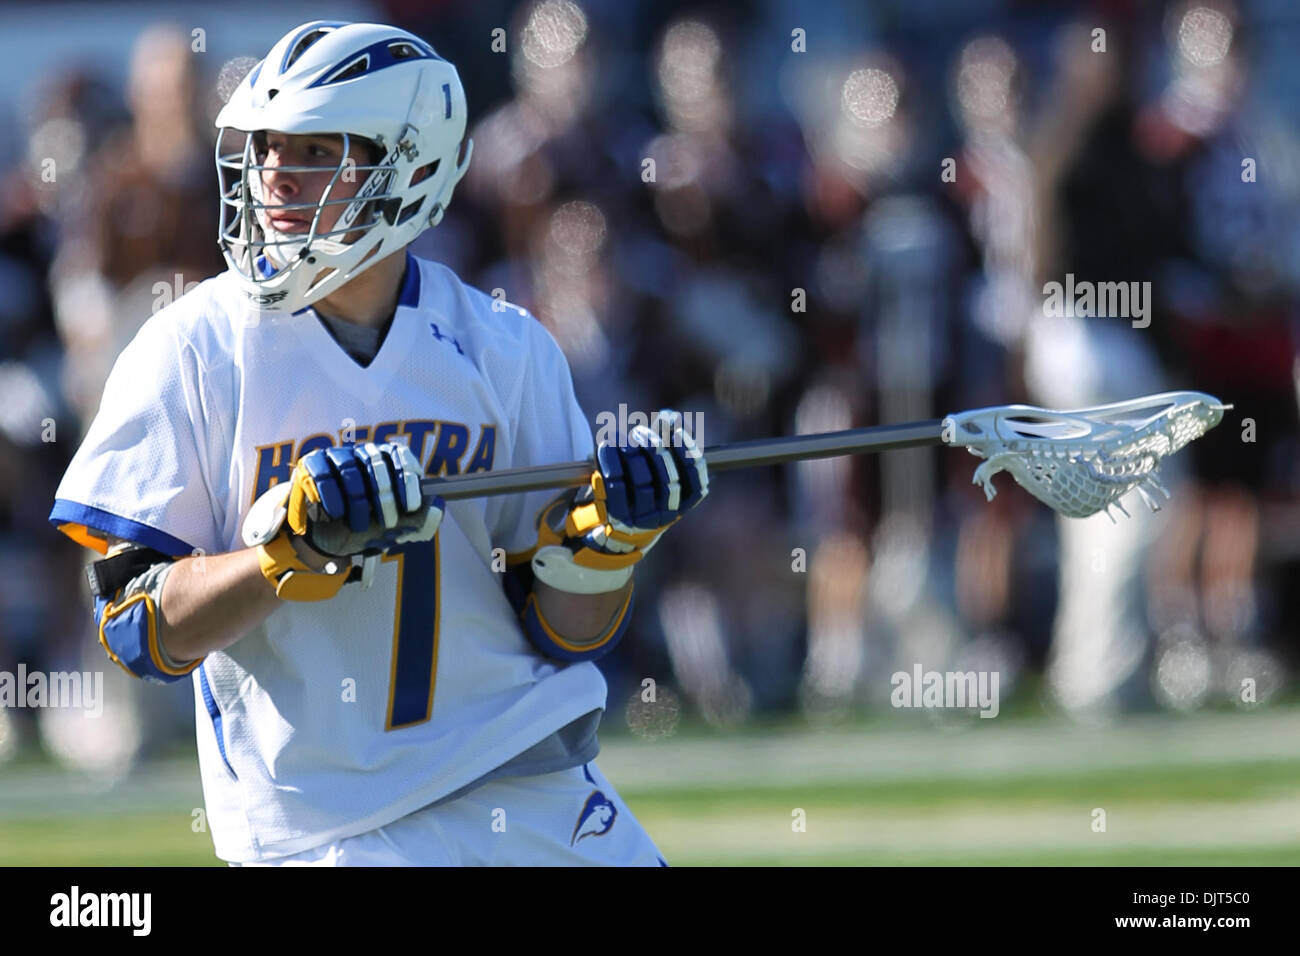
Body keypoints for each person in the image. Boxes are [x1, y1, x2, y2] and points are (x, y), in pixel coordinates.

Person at [48, 20, 707, 866]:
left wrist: (613, 542)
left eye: (317, 150)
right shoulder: (192, 350)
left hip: (533, 788)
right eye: (268, 149)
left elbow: (567, 631)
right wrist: (285, 557)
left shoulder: (504, 348)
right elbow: (135, 626)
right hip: (327, 834)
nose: (276, 176)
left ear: (413, 166)